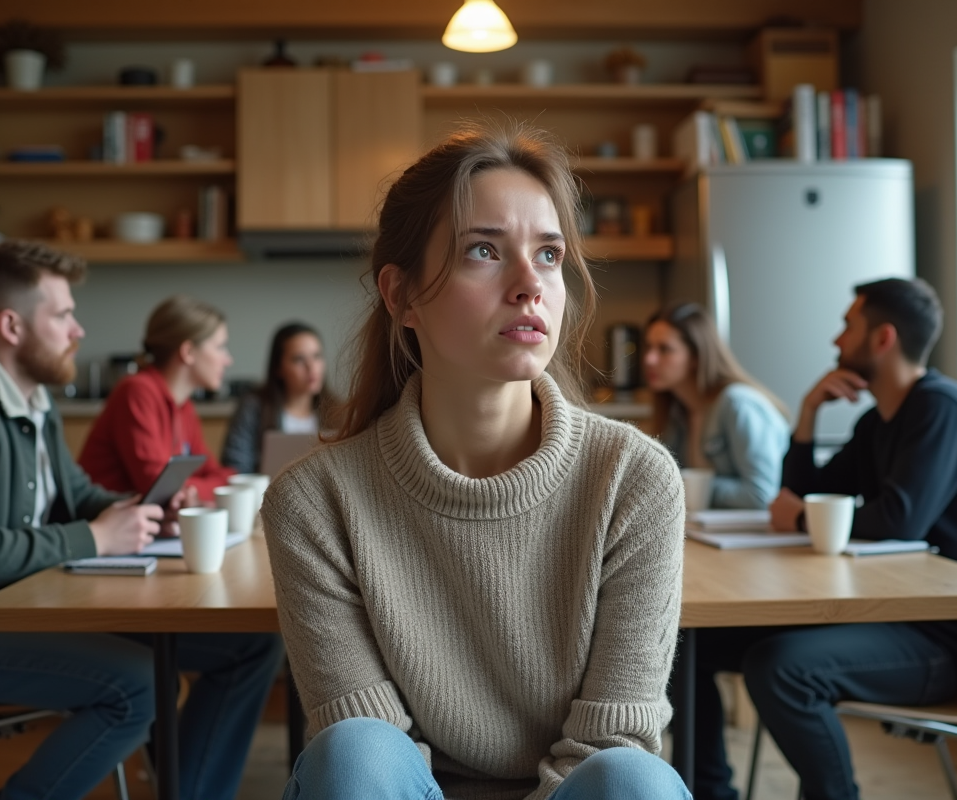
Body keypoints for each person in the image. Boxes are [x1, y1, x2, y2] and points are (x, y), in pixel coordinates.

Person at [261, 123, 692, 800]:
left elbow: (610, 745)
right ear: (401, 296)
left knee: (634, 781)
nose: (530, 285)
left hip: (574, 790)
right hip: (404, 787)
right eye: (484, 251)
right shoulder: (316, 501)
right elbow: (369, 754)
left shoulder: (634, 478)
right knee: (354, 754)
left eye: (548, 255)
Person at [0, 241, 283, 800]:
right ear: (12, 326)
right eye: (64, 314)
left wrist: (134, 513)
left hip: (23, 611)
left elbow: (76, 495)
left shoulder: (32, 401)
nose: (78, 330)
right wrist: (96, 535)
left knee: (252, 646)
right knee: (140, 685)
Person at [693, 277, 957, 800]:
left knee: (782, 669)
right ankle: (709, 793)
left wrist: (799, 517)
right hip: (885, 613)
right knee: (690, 643)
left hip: (941, 640)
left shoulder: (942, 408)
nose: (837, 342)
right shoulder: (878, 423)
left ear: (882, 339)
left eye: (848, 326)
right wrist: (809, 414)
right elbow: (794, 499)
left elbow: (897, 521)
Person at [79, 295, 236, 500]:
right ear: (188, 352)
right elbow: (160, 487)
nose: (228, 360)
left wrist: (193, 490)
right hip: (106, 523)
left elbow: (216, 473)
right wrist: (205, 489)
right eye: (219, 347)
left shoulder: (183, 405)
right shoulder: (137, 392)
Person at [642, 303, 789, 508]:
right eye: (648, 347)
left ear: (695, 356)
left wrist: (690, 485)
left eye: (665, 349)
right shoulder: (677, 412)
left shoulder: (738, 404)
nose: (649, 359)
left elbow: (761, 496)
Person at [221, 322, 336, 474]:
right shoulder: (253, 408)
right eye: (298, 359)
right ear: (279, 368)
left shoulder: (338, 412)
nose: (312, 367)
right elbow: (235, 466)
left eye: (317, 356)